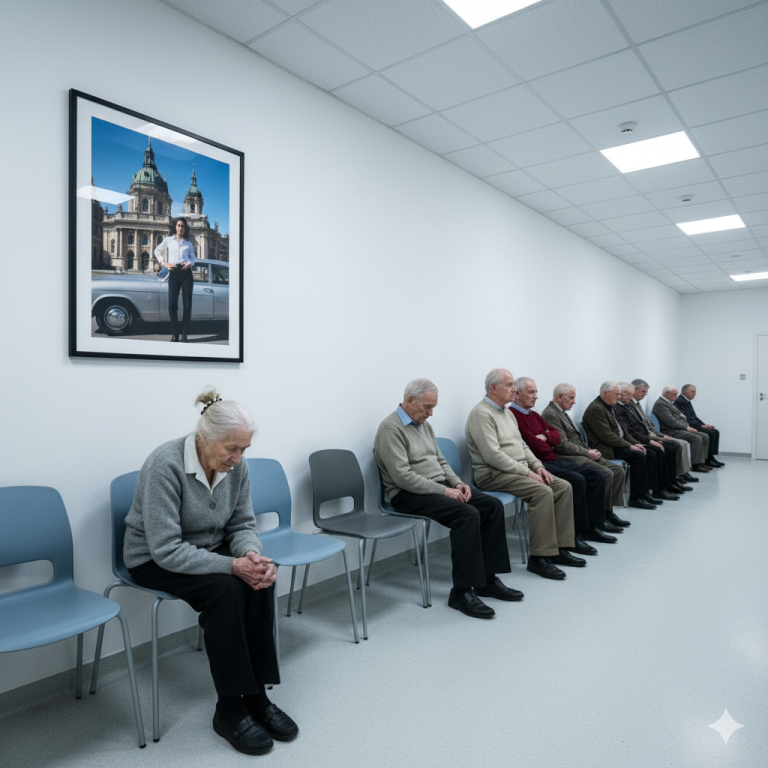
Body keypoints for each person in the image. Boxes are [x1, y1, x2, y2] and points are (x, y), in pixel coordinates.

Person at [124, 388, 298, 755]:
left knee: (261, 583)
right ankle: (229, 709)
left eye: (244, 449)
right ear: (203, 439)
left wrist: (250, 555)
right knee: (227, 591)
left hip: (207, 549)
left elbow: (242, 523)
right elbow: (166, 549)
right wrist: (233, 567)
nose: (238, 458)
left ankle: (256, 696)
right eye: (231, 449)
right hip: (152, 559)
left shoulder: (237, 466)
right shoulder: (165, 464)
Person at [374, 379, 520, 620]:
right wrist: (444, 491)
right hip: (407, 495)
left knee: (490, 506)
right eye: (427, 407)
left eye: (433, 407)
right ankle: (461, 592)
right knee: (466, 514)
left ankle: (487, 580)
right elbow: (402, 478)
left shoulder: (424, 426)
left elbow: (441, 461)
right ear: (409, 400)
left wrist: (457, 483)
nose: (430, 413)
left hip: (437, 487)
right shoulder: (391, 429)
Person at [465, 369, 582, 581]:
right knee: (542, 492)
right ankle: (539, 558)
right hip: (493, 474)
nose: (513, 390)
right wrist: (527, 472)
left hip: (517, 470)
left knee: (563, 487)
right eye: (509, 385)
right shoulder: (481, 414)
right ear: (493, 388)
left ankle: (560, 547)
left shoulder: (507, 412)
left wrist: (537, 467)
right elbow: (493, 456)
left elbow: (523, 446)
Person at [510, 377, 620, 551]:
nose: (536, 396)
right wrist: (548, 437)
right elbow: (534, 445)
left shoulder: (535, 415)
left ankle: (592, 526)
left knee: (596, 476)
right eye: (532, 392)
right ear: (517, 394)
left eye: (536, 392)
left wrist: (546, 436)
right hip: (540, 462)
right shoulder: (514, 416)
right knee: (577, 480)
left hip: (552, 459)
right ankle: (575, 534)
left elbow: (556, 437)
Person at [541, 383, 630, 528]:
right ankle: (597, 519)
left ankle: (607, 512)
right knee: (606, 473)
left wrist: (590, 450)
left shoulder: (561, 412)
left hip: (580, 452)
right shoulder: (551, 414)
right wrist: (587, 452)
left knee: (618, 470)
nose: (574, 402)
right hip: (568, 456)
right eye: (571, 398)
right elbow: (562, 444)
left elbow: (577, 440)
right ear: (559, 397)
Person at [581, 382, 658, 509]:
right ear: (605, 393)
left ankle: (644, 493)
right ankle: (636, 497)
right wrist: (630, 446)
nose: (618, 397)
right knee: (638, 456)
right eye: (616, 394)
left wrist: (634, 443)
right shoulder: (597, 408)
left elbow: (624, 432)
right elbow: (607, 436)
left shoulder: (609, 406)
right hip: (604, 448)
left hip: (615, 444)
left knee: (648, 452)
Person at [614, 382, 681, 502]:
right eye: (628, 394)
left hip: (639, 438)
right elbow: (629, 432)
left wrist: (652, 439)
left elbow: (638, 427)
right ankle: (655, 489)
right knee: (654, 452)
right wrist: (647, 441)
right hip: (631, 441)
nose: (630, 396)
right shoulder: (618, 408)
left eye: (631, 394)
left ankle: (667, 483)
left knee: (670, 447)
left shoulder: (626, 406)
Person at [630, 379, 697, 485]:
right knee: (668, 447)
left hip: (652, 435)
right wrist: (654, 438)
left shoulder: (637, 404)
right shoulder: (659, 404)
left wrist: (659, 436)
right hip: (658, 433)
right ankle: (664, 483)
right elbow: (632, 430)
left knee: (673, 446)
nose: (645, 394)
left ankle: (675, 476)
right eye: (643, 391)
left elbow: (648, 425)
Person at [652, 386, 711, 473]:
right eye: (674, 395)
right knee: (696, 438)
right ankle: (695, 464)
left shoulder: (669, 402)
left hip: (678, 428)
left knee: (704, 436)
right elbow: (670, 421)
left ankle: (701, 461)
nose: (676, 397)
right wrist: (687, 428)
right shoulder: (660, 404)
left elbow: (681, 416)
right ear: (667, 394)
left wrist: (687, 426)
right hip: (669, 430)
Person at [155, 217, 195, 342]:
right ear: (175, 227)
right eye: (178, 225)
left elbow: (193, 259)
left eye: (182, 226)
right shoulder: (168, 240)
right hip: (173, 273)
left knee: (187, 305)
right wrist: (164, 263)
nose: (180, 228)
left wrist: (189, 263)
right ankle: (175, 333)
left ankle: (184, 333)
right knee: (172, 305)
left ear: (185, 228)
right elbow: (157, 250)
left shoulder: (188, 243)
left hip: (186, 274)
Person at [675, 384, 724, 467]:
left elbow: (694, 417)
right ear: (686, 392)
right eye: (693, 392)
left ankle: (711, 456)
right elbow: (687, 419)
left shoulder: (686, 401)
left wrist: (704, 424)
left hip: (694, 424)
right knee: (711, 433)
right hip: (689, 426)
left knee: (715, 432)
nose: (695, 394)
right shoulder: (680, 402)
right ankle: (707, 459)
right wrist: (701, 426)